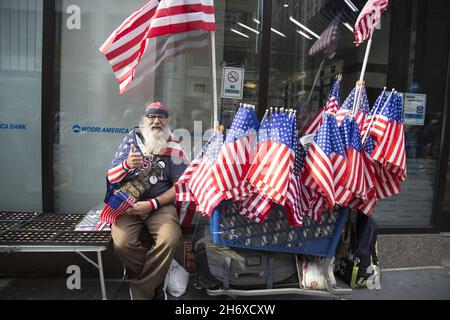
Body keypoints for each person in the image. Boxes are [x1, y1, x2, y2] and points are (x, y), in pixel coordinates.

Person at [106, 102, 188, 300]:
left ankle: (142, 290)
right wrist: (126, 165)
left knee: (169, 240)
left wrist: (152, 204)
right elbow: (111, 176)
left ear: (167, 120)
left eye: (161, 117)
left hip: (160, 206)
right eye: (152, 116)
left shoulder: (174, 145)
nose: (156, 121)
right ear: (145, 120)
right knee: (122, 244)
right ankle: (159, 276)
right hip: (127, 204)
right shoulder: (130, 142)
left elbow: (180, 186)